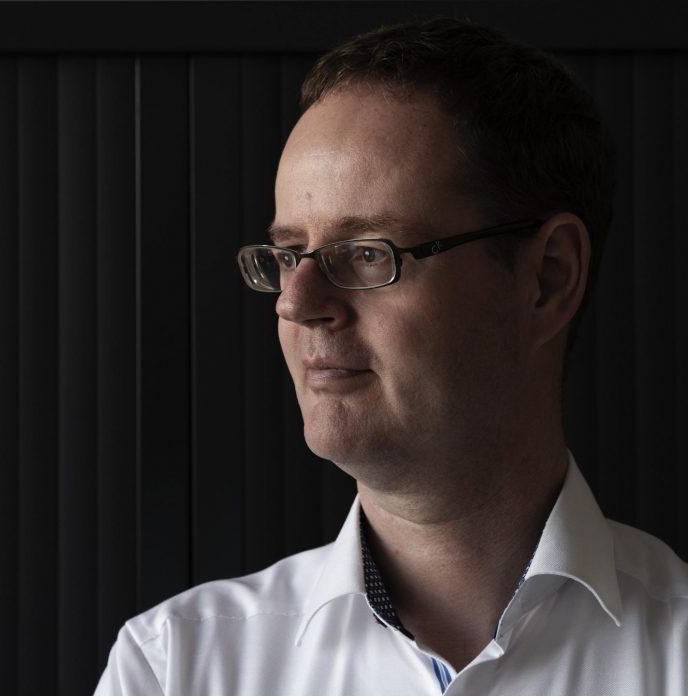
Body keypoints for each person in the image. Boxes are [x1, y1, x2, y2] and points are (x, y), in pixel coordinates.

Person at [95, 16, 688, 695]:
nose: (296, 303)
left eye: (367, 253)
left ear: (548, 278)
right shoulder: (175, 668)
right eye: (288, 255)